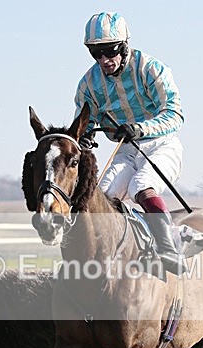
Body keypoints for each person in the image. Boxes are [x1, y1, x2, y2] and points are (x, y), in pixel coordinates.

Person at [75, 12, 187, 275]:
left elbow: (175, 113)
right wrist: (86, 136)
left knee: (141, 185)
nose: (104, 60)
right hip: (126, 148)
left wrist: (141, 128)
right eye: (95, 53)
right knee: (102, 196)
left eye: (109, 51)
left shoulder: (151, 68)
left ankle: (168, 248)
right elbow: (84, 120)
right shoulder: (89, 84)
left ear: (124, 46)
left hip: (161, 144)